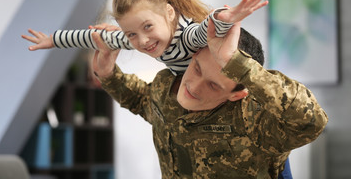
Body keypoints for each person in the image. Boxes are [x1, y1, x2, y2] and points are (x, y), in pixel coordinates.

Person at [90, 20, 328, 178]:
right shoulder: (167, 88)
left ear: (237, 93)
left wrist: (240, 66)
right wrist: (108, 72)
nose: (193, 85)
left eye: (214, 85)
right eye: (196, 68)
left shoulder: (255, 118)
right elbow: (142, 100)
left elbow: (311, 121)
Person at [21, 0, 268, 75]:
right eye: (131, 34)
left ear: (170, 13)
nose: (142, 41)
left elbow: (205, 29)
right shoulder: (140, 39)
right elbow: (95, 37)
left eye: (148, 26)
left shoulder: (186, 38)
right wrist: (53, 39)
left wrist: (225, 17)